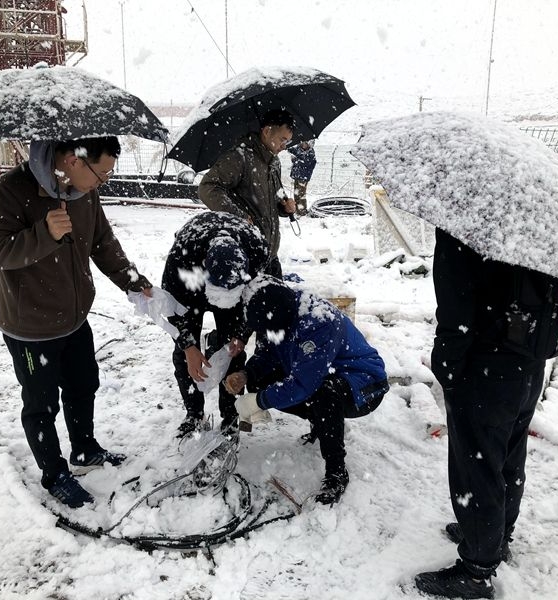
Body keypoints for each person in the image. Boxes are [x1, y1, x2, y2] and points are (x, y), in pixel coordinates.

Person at [0, 136, 153, 509]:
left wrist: (132, 280)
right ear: (74, 160)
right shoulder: (9, 190)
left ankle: (84, 450)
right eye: (102, 173)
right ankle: (54, 473)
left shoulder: (83, 191)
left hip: (74, 317)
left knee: (83, 384)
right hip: (31, 326)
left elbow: (102, 241)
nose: (104, 181)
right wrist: (45, 233)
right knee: (41, 404)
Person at [413, 227, 547, 599]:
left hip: (484, 365)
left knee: (476, 467)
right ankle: (495, 535)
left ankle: (476, 571)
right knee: (508, 453)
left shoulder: (465, 221)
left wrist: (447, 366)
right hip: (528, 359)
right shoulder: (530, 216)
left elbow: (456, 308)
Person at [224, 276, 389, 505]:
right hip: (325, 372)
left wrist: (258, 402)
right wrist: (247, 374)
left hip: (365, 382)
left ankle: (336, 472)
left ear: (279, 316)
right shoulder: (278, 312)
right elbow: (269, 353)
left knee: (324, 394)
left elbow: (303, 384)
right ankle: (322, 423)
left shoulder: (319, 322)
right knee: (264, 380)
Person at [161, 211, 270, 438]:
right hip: (191, 291)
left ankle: (231, 416)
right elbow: (170, 307)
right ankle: (194, 413)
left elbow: (259, 302)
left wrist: (241, 335)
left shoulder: (257, 251)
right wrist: (189, 346)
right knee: (185, 357)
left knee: (231, 353)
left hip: (237, 296)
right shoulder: (183, 256)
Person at [198, 109, 297, 279]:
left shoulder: (274, 162)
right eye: (282, 140)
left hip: (270, 254)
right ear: (266, 131)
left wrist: (284, 206)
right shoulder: (239, 157)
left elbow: (273, 197)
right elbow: (207, 188)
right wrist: (237, 216)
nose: (284, 146)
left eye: (287, 142)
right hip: (246, 257)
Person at [287, 139, 317, 216]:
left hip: (304, 177)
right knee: (296, 193)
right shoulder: (298, 149)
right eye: (302, 142)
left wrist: (295, 160)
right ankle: (297, 210)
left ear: (309, 145)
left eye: (305, 143)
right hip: (297, 175)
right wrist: (287, 145)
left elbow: (305, 163)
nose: (303, 144)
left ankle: (302, 211)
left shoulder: (310, 153)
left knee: (301, 195)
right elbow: (292, 150)